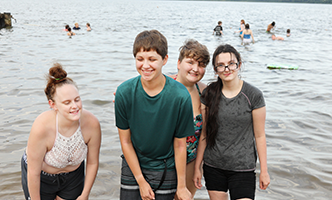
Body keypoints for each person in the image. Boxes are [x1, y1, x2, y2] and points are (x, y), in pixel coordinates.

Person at [115, 30, 193, 200]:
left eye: (152, 59)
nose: (145, 65)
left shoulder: (180, 96)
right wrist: (140, 181)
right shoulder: (124, 92)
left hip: (166, 166)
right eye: (140, 59)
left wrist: (182, 186)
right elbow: (125, 141)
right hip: (133, 164)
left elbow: (180, 145)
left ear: (164, 60)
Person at [193, 44, 270, 200]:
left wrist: (264, 170)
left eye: (231, 64)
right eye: (220, 65)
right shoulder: (209, 94)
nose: (227, 69)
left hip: (243, 168)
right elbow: (204, 134)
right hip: (213, 166)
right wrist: (197, 167)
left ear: (239, 65)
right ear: (215, 70)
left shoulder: (253, 95)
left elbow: (260, 136)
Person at [21, 63, 101, 200]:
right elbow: (33, 173)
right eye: (67, 102)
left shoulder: (92, 124)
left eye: (77, 100)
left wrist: (85, 194)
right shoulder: (42, 128)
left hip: (73, 178)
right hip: (41, 178)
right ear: (53, 105)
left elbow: (93, 162)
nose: (75, 106)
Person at [168, 39, 210, 200]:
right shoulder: (164, 85)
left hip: (191, 162)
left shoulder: (204, 91)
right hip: (165, 162)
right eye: (190, 62)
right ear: (179, 63)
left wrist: (198, 166)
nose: (195, 69)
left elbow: (204, 134)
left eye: (201, 64)